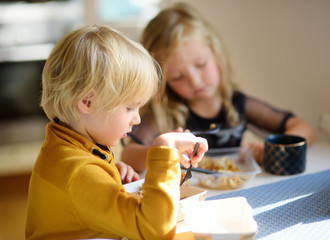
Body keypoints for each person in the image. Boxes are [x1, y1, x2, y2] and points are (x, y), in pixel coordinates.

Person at [25, 25, 208, 240]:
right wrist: (163, 147)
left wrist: (109, 174)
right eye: (130, 107)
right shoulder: (79, 173)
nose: (137, 119)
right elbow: (155, 230)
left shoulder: (66, 146)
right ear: (87, 102)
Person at [121, 2, 315, 173]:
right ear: (164, 82)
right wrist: (164, 148)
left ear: (216, 54)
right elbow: (128, 156)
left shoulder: (238, 104)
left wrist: (271, 149)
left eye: (201, 64)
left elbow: (303, 129)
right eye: (178, 77)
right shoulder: (165, 114)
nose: (196, 82)